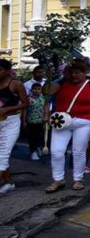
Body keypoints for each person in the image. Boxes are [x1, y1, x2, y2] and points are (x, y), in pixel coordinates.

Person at [45, 59, 90, 193]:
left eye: (77, 72)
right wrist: (59, 78)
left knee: (78, 151)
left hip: (84, 121)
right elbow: (47, 94)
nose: (74, 75)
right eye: (72, 72)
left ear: (85, 73)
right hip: (61, 121)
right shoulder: (61, 83)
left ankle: (78, 178)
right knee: (56, 152)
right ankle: (58, 179)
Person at [0, 59, 29, 194]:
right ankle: (9, 183)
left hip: (11, 122)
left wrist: (8, 109)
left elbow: (25, 103)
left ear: (7, 71)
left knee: (3, 155)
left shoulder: (16, 84)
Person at [23, 82, 46, 161]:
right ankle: (33, 152)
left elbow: (46, 108)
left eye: (38, 89)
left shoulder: (43, 97)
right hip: (31, 121)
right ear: (32, 89)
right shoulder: (28, 98)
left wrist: (46, 118)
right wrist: (24, 121)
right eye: (35, 89)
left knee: (40, 137)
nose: (36, 91)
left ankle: (37, 148)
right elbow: (25, 110)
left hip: (41, 121)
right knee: (32, 137)